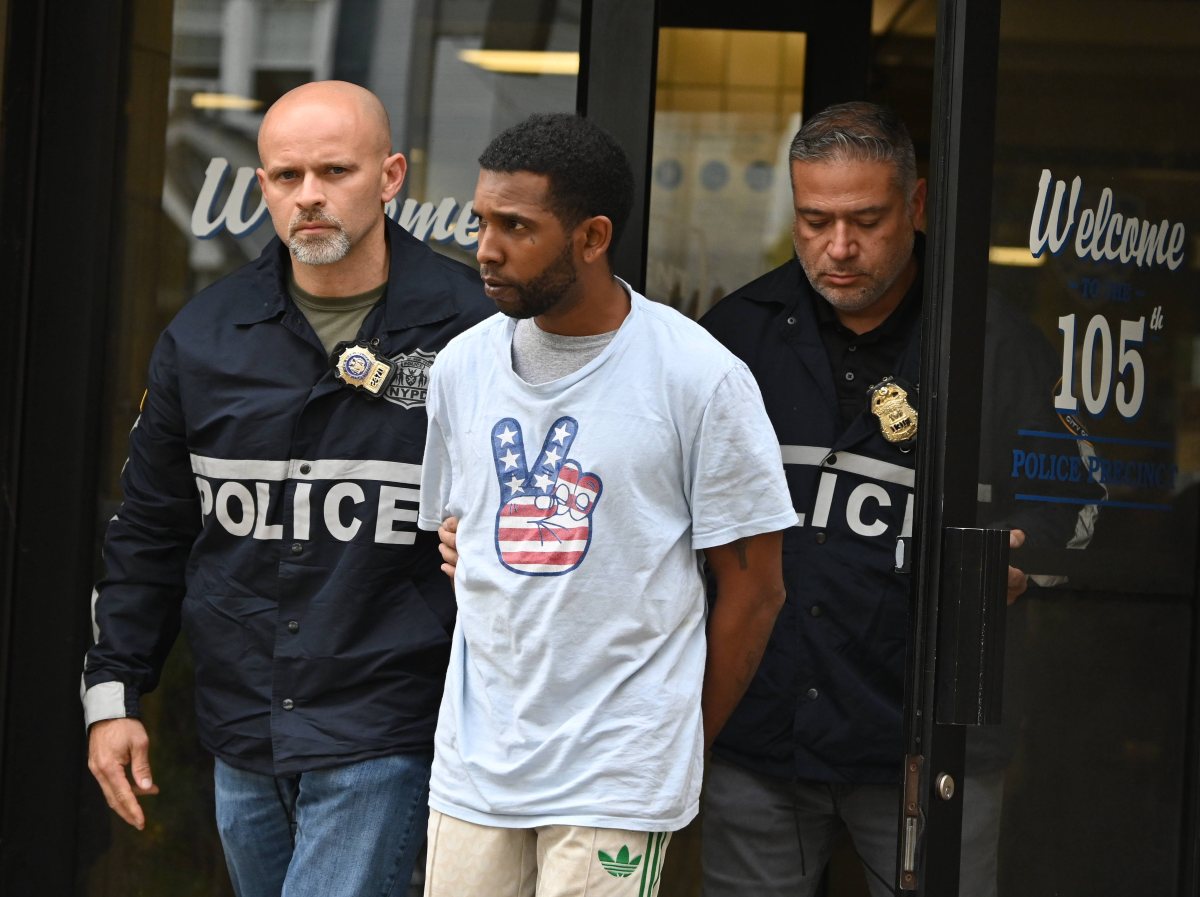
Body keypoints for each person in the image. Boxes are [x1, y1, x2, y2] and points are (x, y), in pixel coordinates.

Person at [82, 80, 492, 897]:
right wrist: (113, 694)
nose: (309, 195)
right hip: (243, 724)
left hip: (388, 721)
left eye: (335, 171)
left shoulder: (475, 332)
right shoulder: (205, 337)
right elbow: (151, 530)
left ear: (391, 176)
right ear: (262, 184)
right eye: (286, 175)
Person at [697, 101, 1092, 897]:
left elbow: (1077, 504)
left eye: (866, 220)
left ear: (915, 205)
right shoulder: (735, 337)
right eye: (814, 221)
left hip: (929, 744)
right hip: (757, 734)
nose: (838, 247)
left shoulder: (993, 342)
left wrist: (1020, 553)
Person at [416, 112, 798, 897]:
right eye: (481, 221)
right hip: (475, 765)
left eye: (516, 226)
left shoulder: (698, 377)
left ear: (592, 237)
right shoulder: (460, 367)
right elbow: (461, 540)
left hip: (617, 772)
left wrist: (675, 743)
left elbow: (757, 591)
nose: (486, 248)